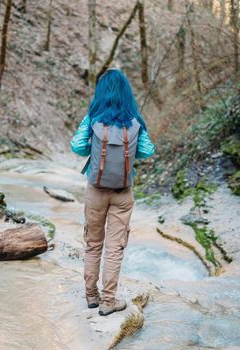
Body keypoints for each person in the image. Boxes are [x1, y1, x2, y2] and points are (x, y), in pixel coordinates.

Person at [70, 69, 155, 316]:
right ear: (126, 92)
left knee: (93, 243)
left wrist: (94, 147)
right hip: (122, 192)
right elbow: (148, 151)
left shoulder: (92, 118)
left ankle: (90, 296)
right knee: (114, 247)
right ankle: (109, 301)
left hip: (95, 189)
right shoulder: (135, 120)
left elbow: (76, 146)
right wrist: (130, 150)